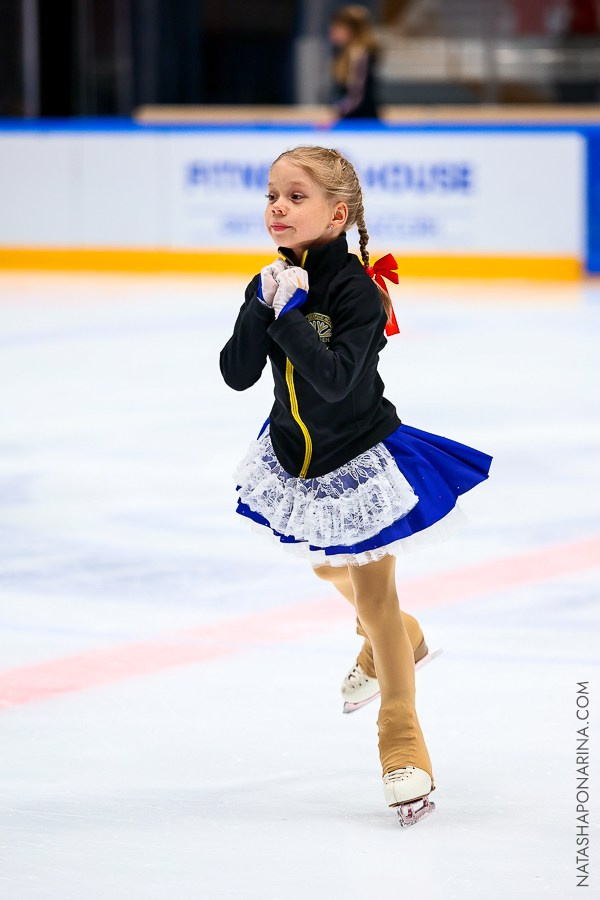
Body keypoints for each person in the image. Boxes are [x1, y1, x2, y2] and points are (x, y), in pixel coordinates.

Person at [219, 145, 493, 826]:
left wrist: (286, 316)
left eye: (294, 197)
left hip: (360, 459)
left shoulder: (357, 290)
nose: (276, 208)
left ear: (337, 213)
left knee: (375, 591)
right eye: (270, 196)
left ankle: (403, 745)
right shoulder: (272, 280)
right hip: (295, 460)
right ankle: (404, 636)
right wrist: (260, 307)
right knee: (326, 569)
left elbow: (337, 377)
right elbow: (235, 373)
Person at [329, 5, 380, 120]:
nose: (332, 32)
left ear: (350, 30)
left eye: (337, 28)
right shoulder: (344, 53)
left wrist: (337, 113)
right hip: (354, 116)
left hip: (362, 120)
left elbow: (356, 96)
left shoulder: (358, 54)